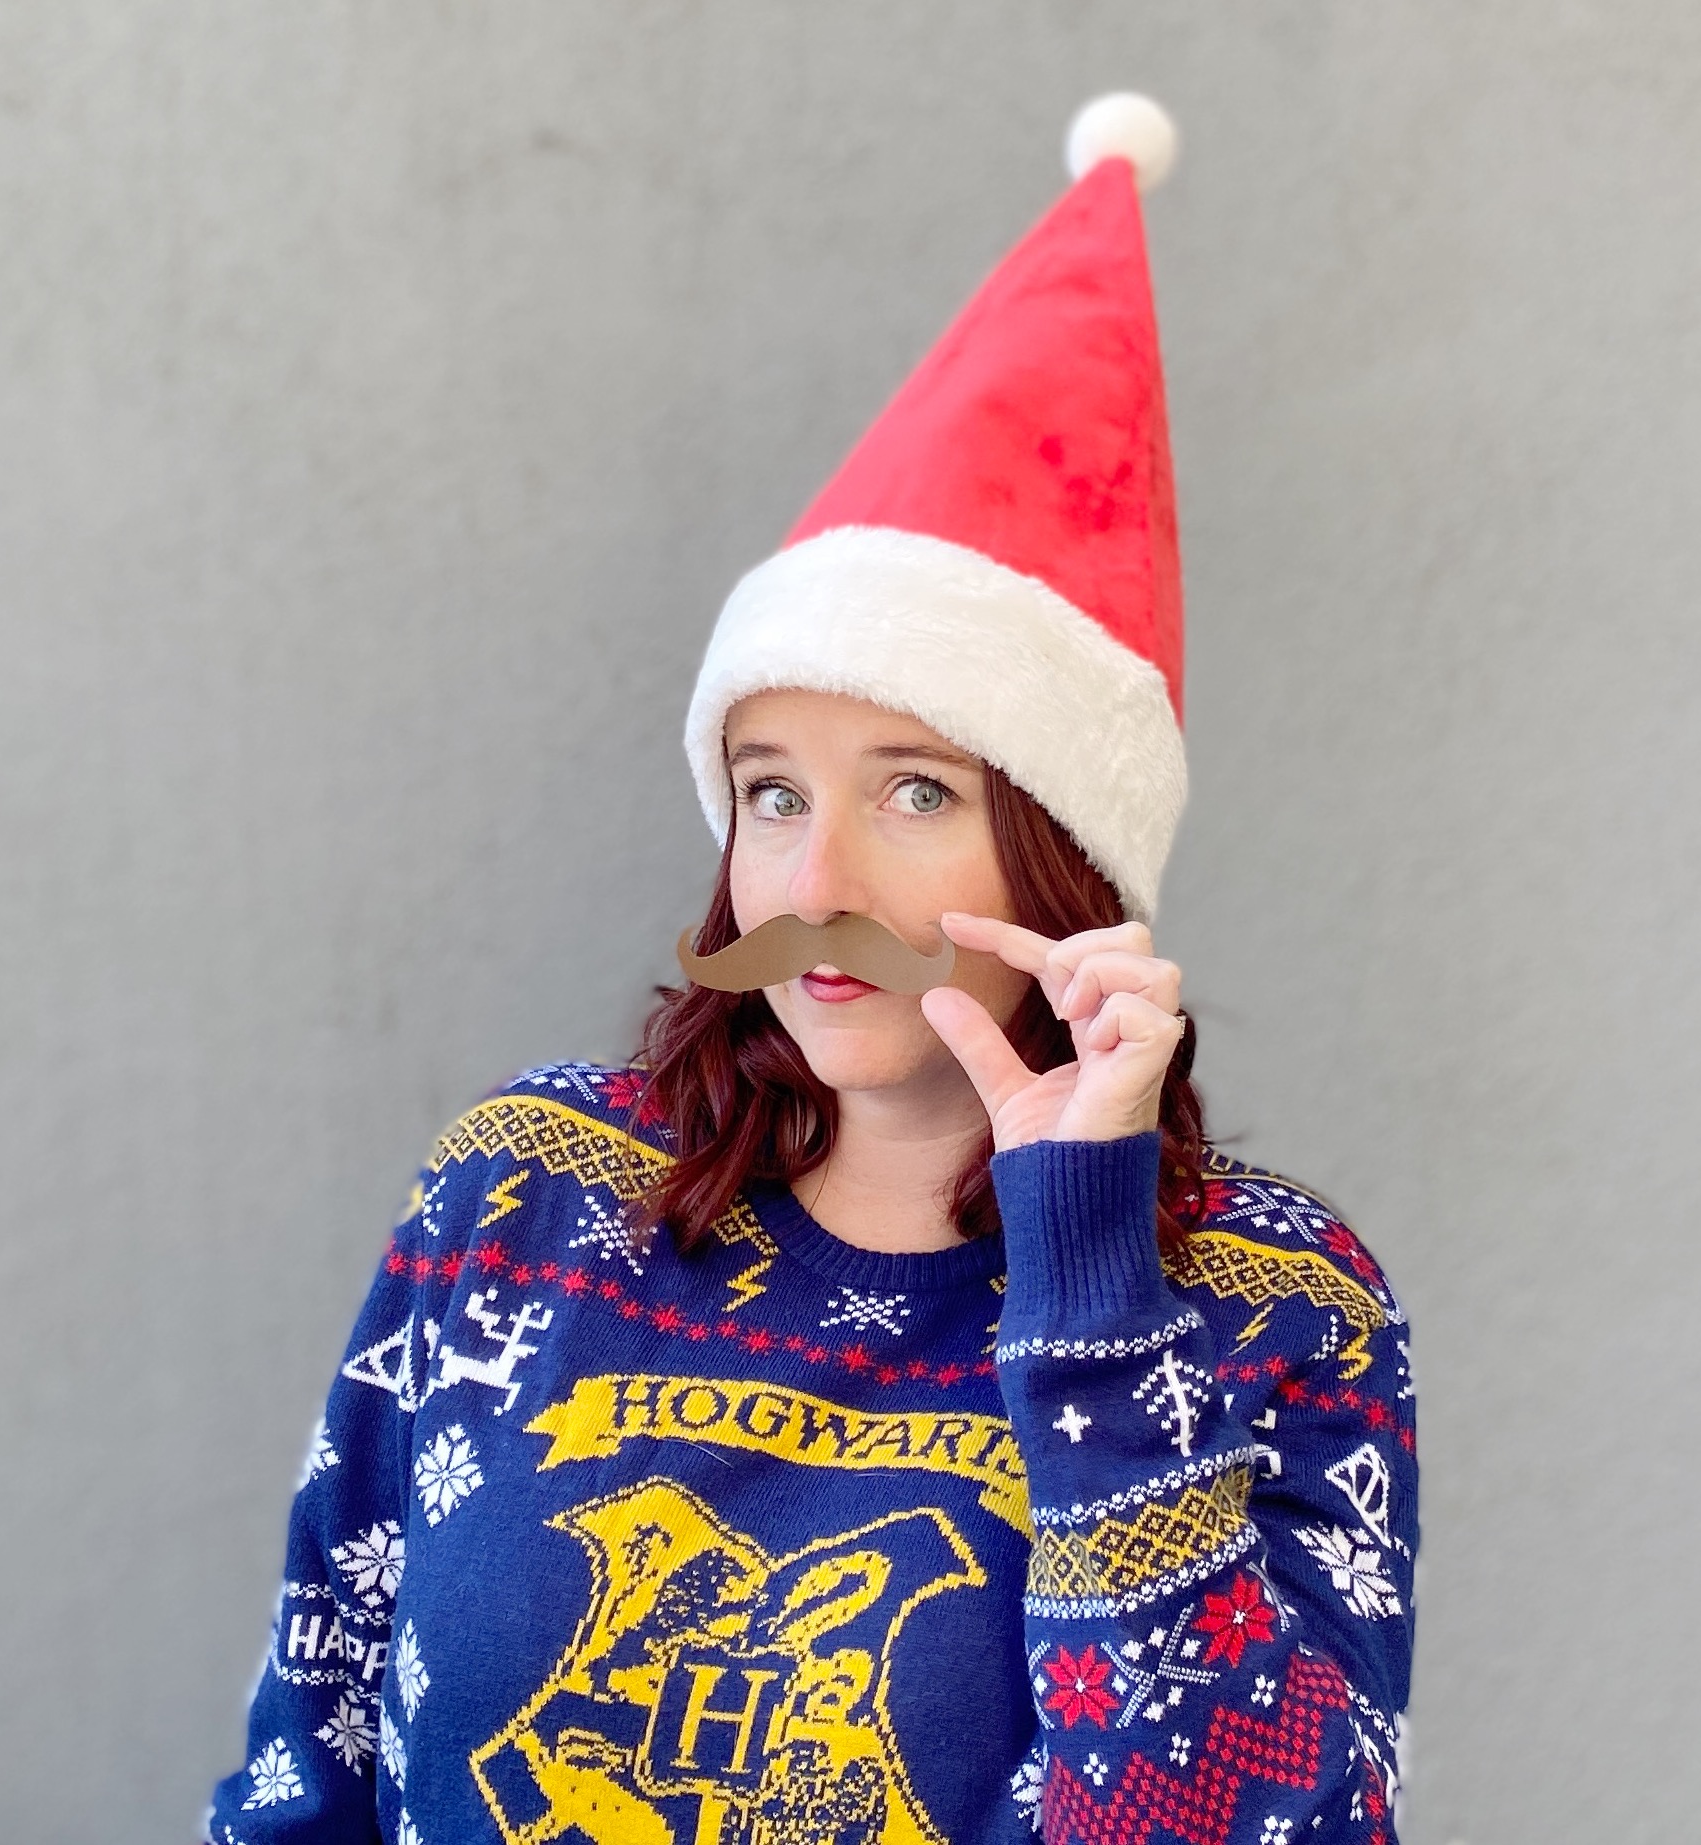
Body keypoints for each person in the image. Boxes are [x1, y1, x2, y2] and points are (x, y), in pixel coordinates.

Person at [205, 94, 1415, 1845]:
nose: (817, 880)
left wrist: (1088, 1285)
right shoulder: (524, 1198)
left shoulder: (1272, 1306)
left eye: (917, 792)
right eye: (773, 794)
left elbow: (1249, 1823)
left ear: (1068, 863)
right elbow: (305, 1757)